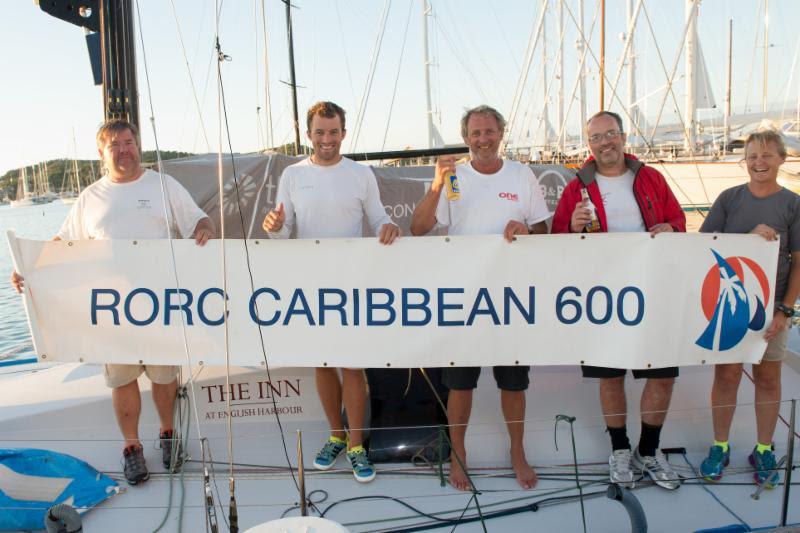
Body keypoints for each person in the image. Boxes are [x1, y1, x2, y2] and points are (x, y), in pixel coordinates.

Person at [11, 119, 214, 485]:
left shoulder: (163, 185)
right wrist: (30, 269)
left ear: (138, 145)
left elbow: (198, 220)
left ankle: (168, 434)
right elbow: (63, 244)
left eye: (129, 142)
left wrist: (204, 229)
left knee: (164, 376)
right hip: (112, 309)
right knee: (122, 379)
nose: (124, 150)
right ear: (102, 153)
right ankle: (132, 447)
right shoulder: (90, 197)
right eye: (115, 145)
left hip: (160, 305)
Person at [410, 105, 550, 491]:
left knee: (513, 382)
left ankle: (517, 451)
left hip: (511, 296)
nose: (483, 139)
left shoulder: (522, 175)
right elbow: (418, 228)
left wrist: (525, 228)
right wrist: (438, 183)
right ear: (466, 137)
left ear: (501, 133)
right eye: (475, 133)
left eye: (489, 131)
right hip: (463, 296)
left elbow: (545, 233)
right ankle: (459, 453)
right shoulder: (453, 177)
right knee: (460, 383)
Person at [262, 101, 400, 483]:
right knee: (322, 364)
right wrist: (272, 224)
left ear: (343, 132)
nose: (327, 139)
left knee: (352, 365)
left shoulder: (361, 174)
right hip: (310, 285)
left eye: (333, 131)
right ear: (309, 134)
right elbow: (282, 229)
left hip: (352, 283)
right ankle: (335, 436)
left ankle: (356, 445)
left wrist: (389, 227)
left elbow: (378, 217)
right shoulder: (292, 175)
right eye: (320, 132)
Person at [551, 110, 686, 490]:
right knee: (610, 375)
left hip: (653, 291)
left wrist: (670, 227)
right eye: (596, 137)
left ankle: (649, 450)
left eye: (611, 134)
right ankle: (620, 449)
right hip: (602, 296)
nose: (605, 142)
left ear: (623, 137)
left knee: (661, 374)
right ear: (588, 143)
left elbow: (679, 221)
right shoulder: (577, 185)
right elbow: (556, 240)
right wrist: (572, 228)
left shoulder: (651, 178)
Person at [698, 130, 800, 488]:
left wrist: (784, 311)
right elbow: (704, 246)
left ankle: (763, 448)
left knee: (769, 379)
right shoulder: (729, 199)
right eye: (753, 155)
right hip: (730, 310)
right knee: (726, 377)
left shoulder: (793, 204)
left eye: (767, 155)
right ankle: (720, 445)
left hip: (773, 312)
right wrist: (747, 238)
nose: (759, 162)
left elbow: (799, 263)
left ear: (782, 159)